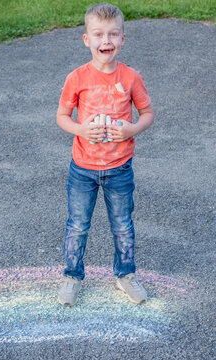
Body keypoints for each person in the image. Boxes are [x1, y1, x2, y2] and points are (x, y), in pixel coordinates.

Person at [56, 3, 155, 306]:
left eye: (113, 34)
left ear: (123, 39)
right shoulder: (77, 78)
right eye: (98, 34)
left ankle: (125, 274)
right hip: (83, 167)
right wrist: (80, 130)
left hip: (119, 167)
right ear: (87, 40)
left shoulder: (130, 77)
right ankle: (72, 276)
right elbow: (62, 116)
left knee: (122, 224)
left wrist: (131, 130)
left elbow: (148, 113)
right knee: (77, 225)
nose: (106, 41)